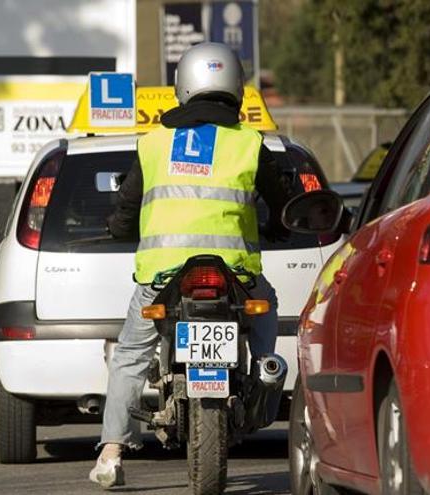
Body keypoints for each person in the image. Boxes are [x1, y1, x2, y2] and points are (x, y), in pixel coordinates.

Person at [89, 42, 290, 489]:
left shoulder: (154, 143)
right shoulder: (250, 144)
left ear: (183, 87)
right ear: (236, 87)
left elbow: (127, 207)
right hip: (235, 274)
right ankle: (265, 369)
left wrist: (118, 227)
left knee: (130, 357)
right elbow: (282, 205)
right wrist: (278, 226)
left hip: (163, 273)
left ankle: (110, 452)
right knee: (267, 304)